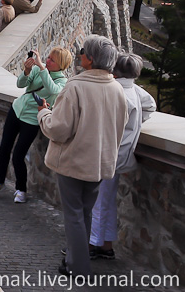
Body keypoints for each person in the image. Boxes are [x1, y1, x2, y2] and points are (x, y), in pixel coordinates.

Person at [37, 36, 127, 277]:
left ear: (91, 59)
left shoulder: (76, 86)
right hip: (100, 162)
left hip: (73, 160)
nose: (80, 54)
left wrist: (44, 114)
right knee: (85, 212)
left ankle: (78, 266)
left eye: (83, 51)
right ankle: (78, 260)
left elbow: (58, 129)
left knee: (74, 215)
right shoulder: (117, 88)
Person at [89, 54, 156, 260]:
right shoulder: (135, 90)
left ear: (115, 71)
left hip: (106, 154)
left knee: (97, 202)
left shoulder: (114, 91)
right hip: (120, 155)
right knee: (107, 200)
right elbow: (150, 106)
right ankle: (106, 245)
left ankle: (92, 245)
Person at [0, 47, 72, 202]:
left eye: (52, 59)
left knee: (18, 154)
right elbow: (21, 84)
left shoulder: (62, 82)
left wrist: (42, 68)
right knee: (4, 147)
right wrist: (26, 70)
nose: (47, 60)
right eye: (48, 57)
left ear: (60, 64)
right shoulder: (39, 71)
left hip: (32, 120)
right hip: (16, 110)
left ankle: (21, 189)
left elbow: (52, 90)